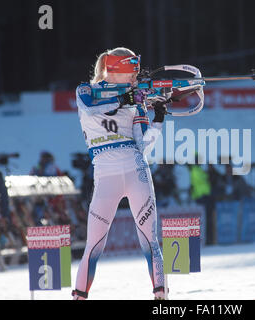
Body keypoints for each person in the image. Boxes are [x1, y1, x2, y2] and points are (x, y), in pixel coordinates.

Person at [72, 47, 168, 300]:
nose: (136, 78)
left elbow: (143, 145)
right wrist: (123, 101)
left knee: (150, 241)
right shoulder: (87, 90)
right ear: (118, 69)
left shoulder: (136, 101)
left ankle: (161, 297)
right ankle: (78, 296)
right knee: (94, 245)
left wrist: (158, 117)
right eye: (132, 73)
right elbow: (90, 107)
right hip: (106, 175)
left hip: (136, 168)